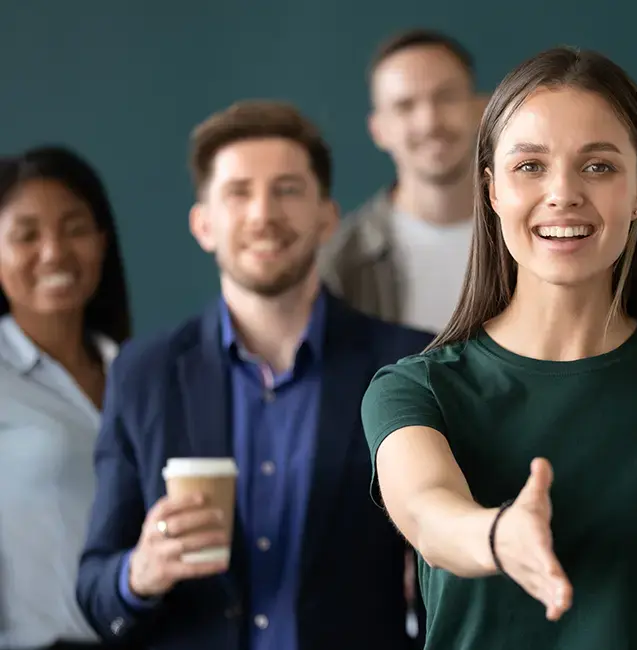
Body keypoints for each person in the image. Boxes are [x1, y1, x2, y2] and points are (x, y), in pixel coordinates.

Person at [360, 46, 637, 649]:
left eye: (599, 166)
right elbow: (427, 513)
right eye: (529, 165)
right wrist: (499, 537)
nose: (563, 193)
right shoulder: (414, 388)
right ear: (492, 189)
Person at [75, 101, 433, 650]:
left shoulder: (407, 365)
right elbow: (96, 590)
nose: (263, 214)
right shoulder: (142, 375)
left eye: (288, 189)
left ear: (327, 217)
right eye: (238, 192)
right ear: (204, 224)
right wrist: (140, 573)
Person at [0, 146, 132, 650]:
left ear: (102, 241)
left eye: (74, 228)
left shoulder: (142, 372)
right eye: (26, 235)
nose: (54, 251)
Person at [318, 29, 485, 334]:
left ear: (480, 109)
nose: (430, 122)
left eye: (446, 97)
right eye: (405, 106)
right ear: (378, 130)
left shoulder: (533, 235)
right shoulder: (341, 264)